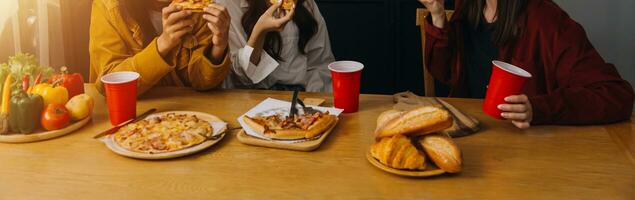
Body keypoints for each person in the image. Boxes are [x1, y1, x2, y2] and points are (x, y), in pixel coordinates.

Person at [419, 0, 634, 128]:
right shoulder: (469, 6)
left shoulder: (545, 19)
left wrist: (538, 109)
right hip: (473, 136)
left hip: (526, 148)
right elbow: (445, 72)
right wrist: (437, 15)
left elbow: (616, 94)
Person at [89, 0, 232, 95]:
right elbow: (108, 84)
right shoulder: (108, 6)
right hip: (129, 115)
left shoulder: (198, 7)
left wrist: (219, 46)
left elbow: (200, 82)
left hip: (185, 115)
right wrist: (163, 44)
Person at [213, 0, 335, 92]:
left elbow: (319, 64)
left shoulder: (306, 4)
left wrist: (311, 106)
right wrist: (259, 32)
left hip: (300, 98)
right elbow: (241, 78)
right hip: (249, 99)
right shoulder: (227, 5)